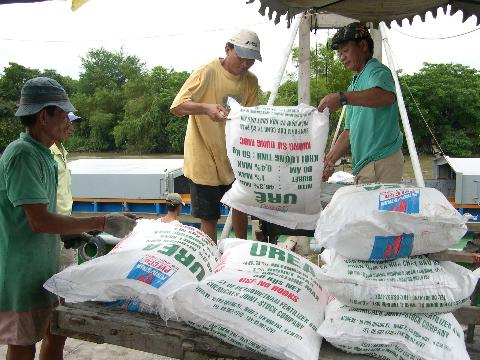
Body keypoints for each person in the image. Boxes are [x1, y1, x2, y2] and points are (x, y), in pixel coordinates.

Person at [0, 77, 137, 360]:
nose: (68, 122)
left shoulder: (44, 156)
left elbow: (45, 216)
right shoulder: (22, 155)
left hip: (42, 266)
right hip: (19, 272)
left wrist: (69, 232)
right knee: (23, 343)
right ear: (43, 116)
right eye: (63, 115)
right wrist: (101, 222)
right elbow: (39, 221)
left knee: (55, 332)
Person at [170, 29, 261, 242]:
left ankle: (240, 251)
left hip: (234, 158)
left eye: (251, 60)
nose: (245, 64)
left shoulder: (251, 82)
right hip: (204, 157)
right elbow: (178, 106)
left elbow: (251, 118)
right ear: (227, 49)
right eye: (241, 58)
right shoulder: (208, 71)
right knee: (209, 216)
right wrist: (206, 108)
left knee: (239, 207)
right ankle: (210, 259)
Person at [318, 22, 404, 185]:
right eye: (339, 53)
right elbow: (349, 131)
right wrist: (328, 162)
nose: (342, 57)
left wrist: (342, 98)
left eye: (345, 50)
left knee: (378, 211)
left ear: (363, 46)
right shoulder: (354, 84)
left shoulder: (376, 71)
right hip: (365, 166)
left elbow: (386, 97)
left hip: (381, 162)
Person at [50, 112, 83, 270]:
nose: (71, 128)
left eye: (72, 124)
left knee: (67, 269)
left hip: (65, 221)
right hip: (53, 224)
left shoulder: (62, 151)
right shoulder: (47, 153)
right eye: (67, 123)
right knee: (57, 271)